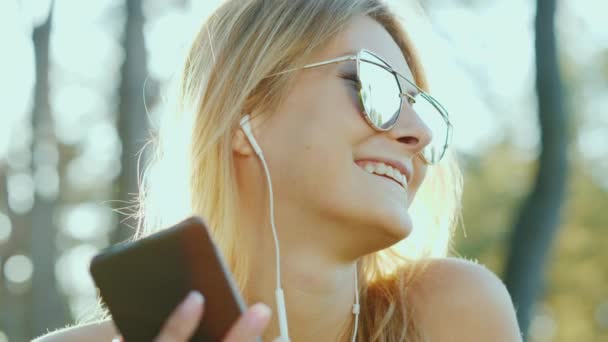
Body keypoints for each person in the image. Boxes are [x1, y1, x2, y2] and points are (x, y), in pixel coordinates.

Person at [34, 0, 522, 341]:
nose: (418, 132)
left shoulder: (453, 315)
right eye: (375, 87)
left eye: (422, 107)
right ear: (246, 114)